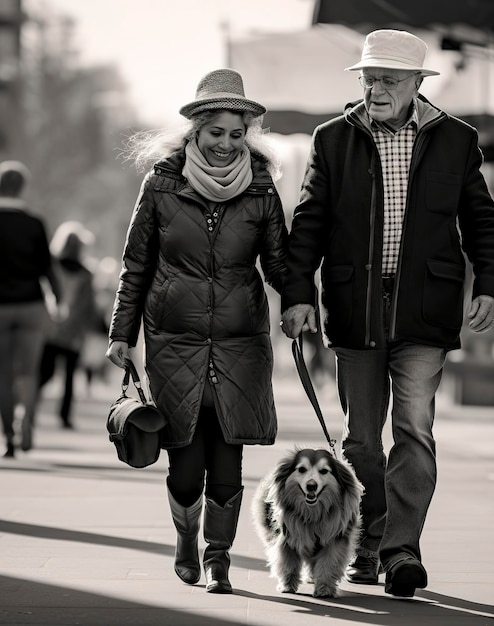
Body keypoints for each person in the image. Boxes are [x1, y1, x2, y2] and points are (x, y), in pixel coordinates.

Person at [280, 29, 494, 598]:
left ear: (415, 85)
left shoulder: (456, 140)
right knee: (359, 440)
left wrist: (492, 286)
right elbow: (307, 223)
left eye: (388, 80)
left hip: (426, 308)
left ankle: (401, 549)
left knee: (415, 430)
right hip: (355, 305)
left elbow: (482, 221)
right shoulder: (334, 139)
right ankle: (369, 537)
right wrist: (297, 294)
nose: (375, 89)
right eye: (369, 78)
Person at [106, 69, 287, 594]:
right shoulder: (161, 182)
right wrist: (123, 331)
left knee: (229, 451)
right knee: (185, 458)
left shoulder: (259, 184)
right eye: (217, 133)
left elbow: (279, 261)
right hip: (173, 341)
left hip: (241, 341)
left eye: (237, 134)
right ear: (195, 131)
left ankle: (219, 557)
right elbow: (136, 263)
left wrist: (301, 301)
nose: (227, 144)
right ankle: (186, 539)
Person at [0, 160, 61, 457]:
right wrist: (59, 300)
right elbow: (47, 269)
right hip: (31, 305)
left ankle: (8, 435)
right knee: (28, 371)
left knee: (2, 374)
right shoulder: (34, 224)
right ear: (21, 188)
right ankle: (27, 423)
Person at [38, 221, 99, 429]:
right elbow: (89, 306)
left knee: (44, 371)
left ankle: (29, 406)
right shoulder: (86, 273)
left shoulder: (50, 266)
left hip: (50, 329)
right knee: (70, 375)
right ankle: (64, 416)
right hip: (74, 332)